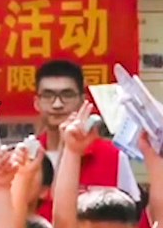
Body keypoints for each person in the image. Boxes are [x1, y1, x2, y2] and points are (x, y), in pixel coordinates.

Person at [31, 60, 139, 218]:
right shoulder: (27, 157)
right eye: (48, 95)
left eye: (67, 95)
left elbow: (131, 217)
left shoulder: (113, 156)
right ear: (37, 103)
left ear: (83, 100)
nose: (57, 104)